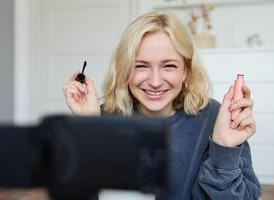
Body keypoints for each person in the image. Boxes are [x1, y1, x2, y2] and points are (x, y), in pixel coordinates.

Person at [62, 11, 261, 200]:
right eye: (141, 66)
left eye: (169, 66)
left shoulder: (217, 118)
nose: (155, 81)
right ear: (125, 70)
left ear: (186, 71)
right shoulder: (101, 117)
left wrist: (223, 150)